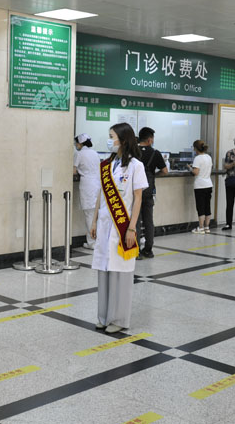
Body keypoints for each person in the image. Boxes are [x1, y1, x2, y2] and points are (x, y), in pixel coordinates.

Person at [89, 123, 147, 333]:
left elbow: (138, 198)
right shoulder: (107, 165)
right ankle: (104, 316)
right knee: (104, 270)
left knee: (120, 272)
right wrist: (94, 220)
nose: (109, 140)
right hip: (105, 224)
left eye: (111, 136)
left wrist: (132, 228)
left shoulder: (135, 166)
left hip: (122, 226)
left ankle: (119, 319)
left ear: (123, 139)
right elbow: (101, 194)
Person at [135, 127, 168, 259]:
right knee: (148, 220)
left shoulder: (133, 151)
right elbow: (165, 171)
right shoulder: (155, 153)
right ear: (149, 140)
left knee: (135, 220)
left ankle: (135, 250)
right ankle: (148, 249)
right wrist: (154, 175)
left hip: (135, 191)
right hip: (149, 191)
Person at [73, 133, 101, 249]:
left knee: (89, 215)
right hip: (97, 185)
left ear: (80, 143)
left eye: (76, 143)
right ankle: (97, 241)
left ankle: (92, 243)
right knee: (95, 214)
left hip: (87, 186)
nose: (76, 145)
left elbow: (74, 171)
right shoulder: (95, 153)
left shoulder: (79, 154)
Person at [188, 140, 213, 234]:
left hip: (200, 185)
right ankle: (207, 227)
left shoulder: (197, 158)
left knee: (200, 207)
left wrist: (190, 168)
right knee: (207, 206)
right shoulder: (208, 157)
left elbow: (196, 172)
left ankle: (201, 227)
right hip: (208, 184)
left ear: (195, 148)